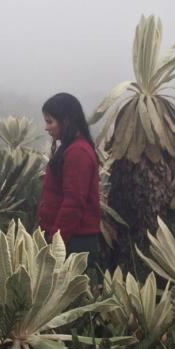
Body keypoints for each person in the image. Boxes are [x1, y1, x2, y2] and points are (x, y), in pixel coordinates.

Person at [36, 93, 102, 255]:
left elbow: (73, 203)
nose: (46, 127)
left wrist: (56, 243)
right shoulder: (70, 148)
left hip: (74, 241)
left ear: (65, 120)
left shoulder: (77, 152)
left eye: (50, 121)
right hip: (67, 238)